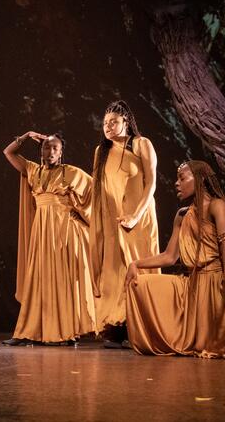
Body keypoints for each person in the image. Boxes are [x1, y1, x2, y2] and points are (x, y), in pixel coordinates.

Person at [126, 161, 225, 359]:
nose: (176, 184)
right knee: (140, 283)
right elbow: (170, 257)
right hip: (194, 284)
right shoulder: (182, 215)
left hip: (218, 281)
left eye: (182, 178)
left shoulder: (217, 205)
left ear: (200, 179)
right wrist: (135, 264)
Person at [1, 132, 97, 346]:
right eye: (46, 147)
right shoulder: (33, 170)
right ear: (40, 150)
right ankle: (28, 331)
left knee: (61, 278)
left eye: (55, 148)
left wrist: (80, 212)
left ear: (61, 152)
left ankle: (63, 331)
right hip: (42, 229)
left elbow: (96, 193)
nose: (50, 151)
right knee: (39, 277)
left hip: (64, 230)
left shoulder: (71, 173)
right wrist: (26, 136)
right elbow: (8, 152)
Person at [90, 100, 159, 348]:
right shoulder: (101, 152)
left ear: (126, 121)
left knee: (138, 268)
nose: (108, 127)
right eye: (105, 123)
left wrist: (135, 216)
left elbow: (151, 183)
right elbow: (99, 191)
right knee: (114, 270)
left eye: (113, 122)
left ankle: (139, 326)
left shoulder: (142, 144)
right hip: (113, 221)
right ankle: (117, 326)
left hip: (139, 218)